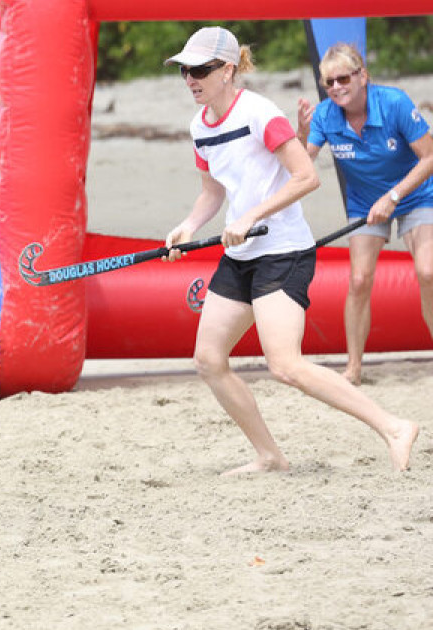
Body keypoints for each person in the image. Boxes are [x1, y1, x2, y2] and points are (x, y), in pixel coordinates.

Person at [161, 27, 419, 475]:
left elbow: (306, 177)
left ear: (227, 71)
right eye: (186, 70)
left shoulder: (260, 112)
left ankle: (394, 427)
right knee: (208, 359)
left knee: (285, 364)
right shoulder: (199, 126)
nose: (191, 79)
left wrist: (250, 218)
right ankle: (269, 456)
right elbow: (212, 192)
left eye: (200, 69)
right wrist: (187, 226)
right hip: (241, 255)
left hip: (283, 251)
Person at [297, 43, 433, 385]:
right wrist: (300, 134)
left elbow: (430, 157)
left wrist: (394, 195)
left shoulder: (394, 102)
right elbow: (300, 167)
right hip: (365, 204)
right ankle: (354, 368)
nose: (337, 87)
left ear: (363, 76)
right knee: (358, 281)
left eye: (343, 78)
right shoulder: (326, 115)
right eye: (329, 82)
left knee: (428, 271)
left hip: (415, 194)